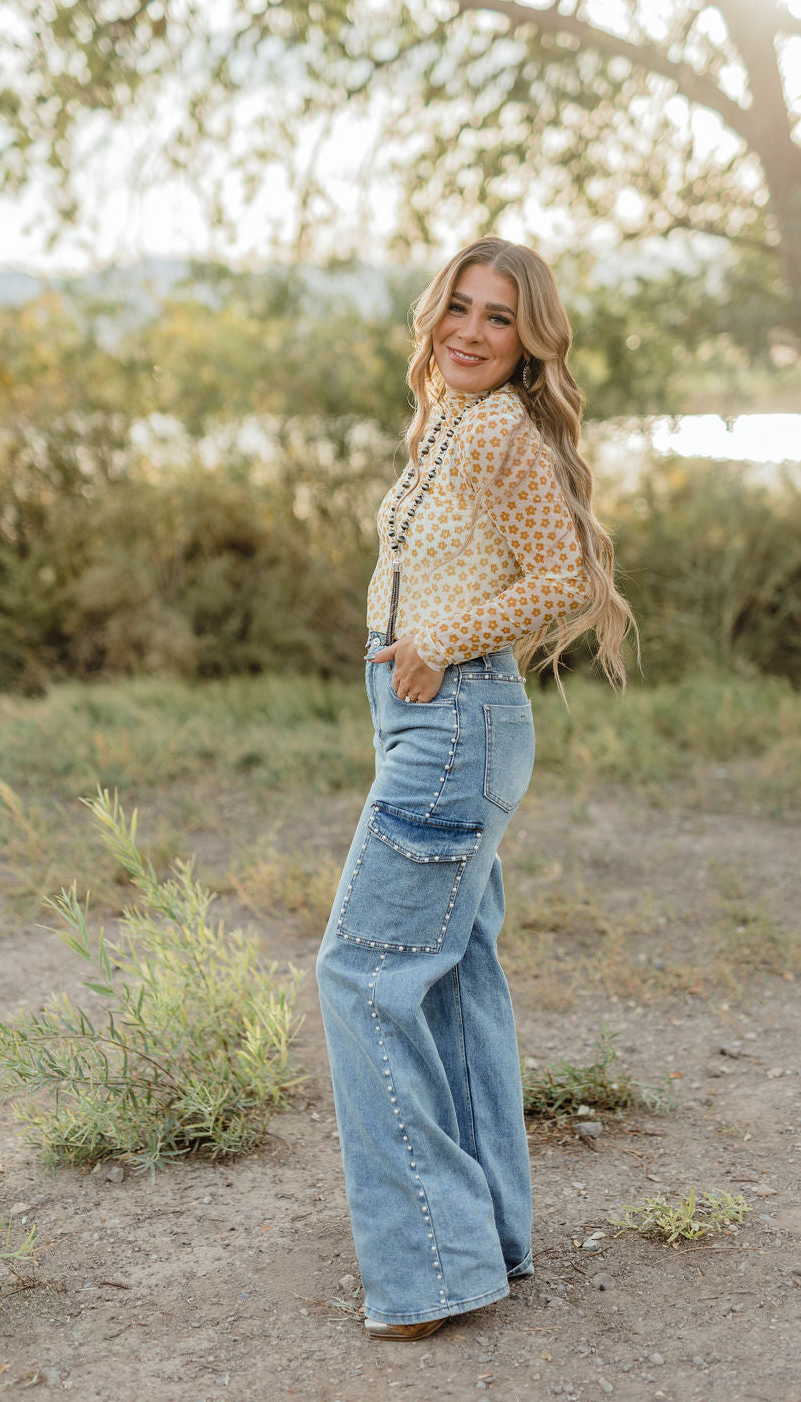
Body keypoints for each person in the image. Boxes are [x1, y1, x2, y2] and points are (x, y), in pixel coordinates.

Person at [315, 237, 632, 1342]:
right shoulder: (447, 419)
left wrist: (436, 638)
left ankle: (433, 1272)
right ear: (434, 312)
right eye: (459, 306)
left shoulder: (499, 432)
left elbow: (560, 577)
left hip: (453, 727)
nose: (470, 330)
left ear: (529, 341)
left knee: (361, 977)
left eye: (499, 317)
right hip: (430, 723)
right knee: (446, 982)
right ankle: (484, 1237)